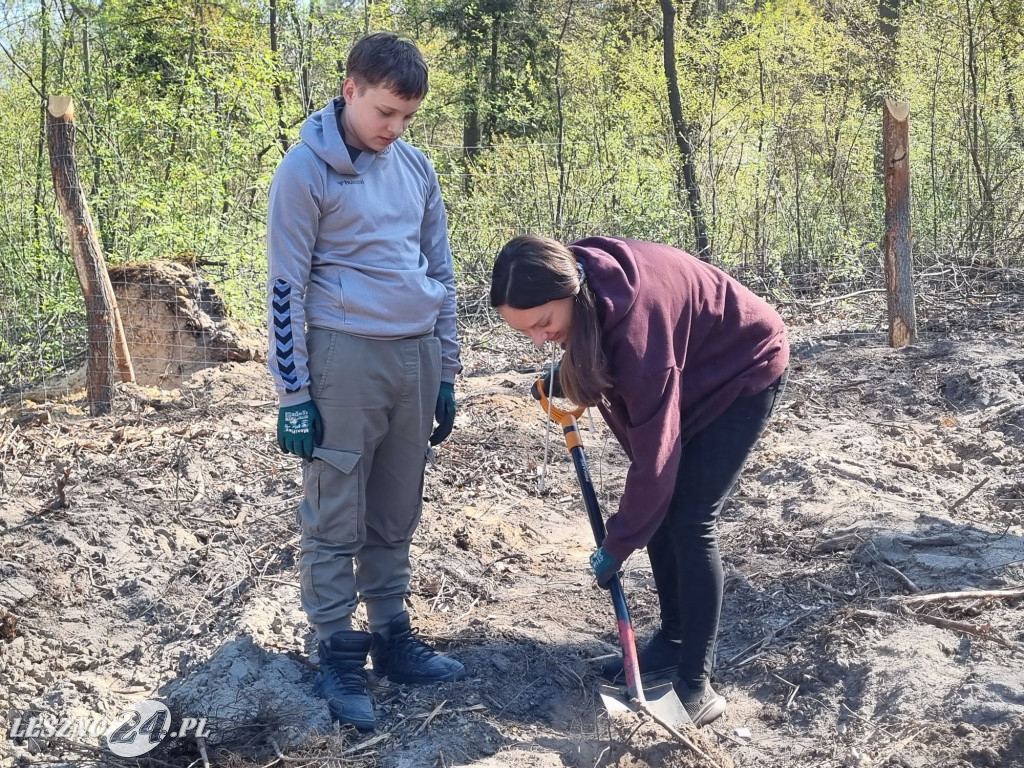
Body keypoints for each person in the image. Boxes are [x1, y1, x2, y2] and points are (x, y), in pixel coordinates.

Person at [489, 235, 788, 727]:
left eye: (544, 324)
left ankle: (696, 684)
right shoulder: (579, 288)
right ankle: (671, 641)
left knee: (690, 517)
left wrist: (618, 541)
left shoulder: (639, 335)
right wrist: (567, 378)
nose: (541, 340)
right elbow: (611, 372)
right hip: (689, 368)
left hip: (741, 366)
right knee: (663, 509)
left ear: (570, 292)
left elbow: (654, 463)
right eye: (527, 333)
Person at [266, 32, 464, 732]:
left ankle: (391, 635)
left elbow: (441, 274)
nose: (394, 128)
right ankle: (336, 650)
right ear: (350, 90)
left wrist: (448, 368)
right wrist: (294, 395)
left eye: (407, 116)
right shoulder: (304, 171)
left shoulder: (416, 167)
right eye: (385, 112)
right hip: (343, 355)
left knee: (395, 501)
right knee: (335, 506)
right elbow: (285, 287)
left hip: (416, 357)